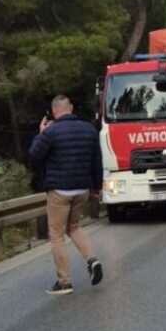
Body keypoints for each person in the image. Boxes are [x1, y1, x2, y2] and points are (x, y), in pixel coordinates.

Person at [28, 95, 104, 295]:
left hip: (60, 191)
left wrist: (41, 134)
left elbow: (34, 157)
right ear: (70, 108)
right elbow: (97, 162)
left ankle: (64, 282)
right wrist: (96, 189)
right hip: (82, 190)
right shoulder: (89, 130)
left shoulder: (51, 132)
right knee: (75, 226)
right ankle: (92, 260)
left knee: (57, 235)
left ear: (54, 112)